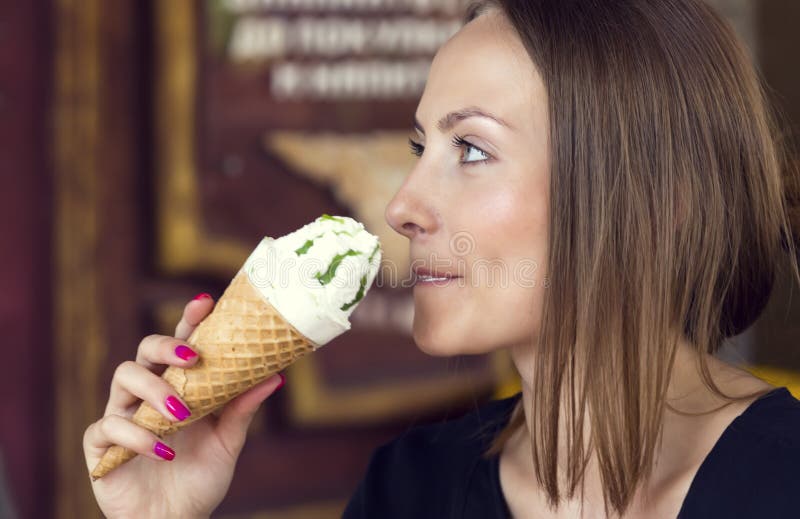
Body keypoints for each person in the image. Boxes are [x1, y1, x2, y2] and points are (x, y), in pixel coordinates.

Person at [84, 0, 800, 517]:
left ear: (656, 201)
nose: (400, 206)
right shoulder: (408, 489)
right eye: (422, 148)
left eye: (474, 150)